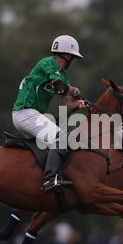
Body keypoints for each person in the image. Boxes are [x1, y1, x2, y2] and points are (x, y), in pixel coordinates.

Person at [12, 35, 87, 192]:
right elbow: (60, 88)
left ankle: (38, 178)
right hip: (25, 112)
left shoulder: (62, 75)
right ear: (67, 56)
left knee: (52, 146)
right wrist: (74, 89)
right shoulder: (48, 63)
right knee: (62, 138)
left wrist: (78, 104)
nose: (73, 62)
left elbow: (67, 102)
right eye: (73, 58)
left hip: (31, 115)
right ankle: (49, 179)